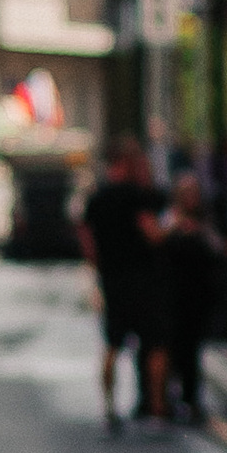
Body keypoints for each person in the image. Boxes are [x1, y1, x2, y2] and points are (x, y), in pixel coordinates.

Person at [78, 138, 168, 435]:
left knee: (112, 345)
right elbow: (152, 233)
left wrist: (99, 266)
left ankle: (109, 409)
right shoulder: (138, 196)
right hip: (145, 279)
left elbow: (86, 239)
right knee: (155, 344)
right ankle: (157, 411)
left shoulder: (97, 197)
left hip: (113, 280)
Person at [159, 173, 227, 430]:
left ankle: (191, 398)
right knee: (174, 347)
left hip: (199, 294)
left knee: (192, 349)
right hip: (174, 293)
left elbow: (221, 250)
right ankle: (167, 398)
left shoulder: (206, 221)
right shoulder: (170, 218)